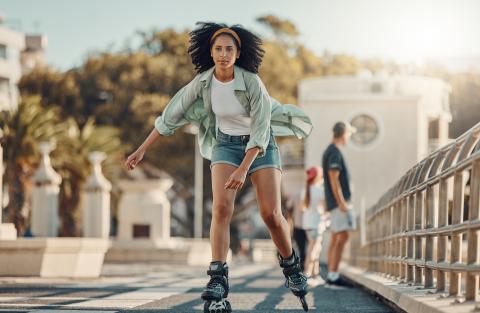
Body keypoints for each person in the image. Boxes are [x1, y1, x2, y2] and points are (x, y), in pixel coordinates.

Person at [125, 22, 312, 312]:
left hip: (261, 146)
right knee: (222, 208)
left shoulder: (252, 83)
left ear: (238, 54)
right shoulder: (202, 82)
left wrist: (243, 169)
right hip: (225, 144)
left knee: (271, 214)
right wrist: (141, 149)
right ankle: (217, 276)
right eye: (218, 49)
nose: (223, 54)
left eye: (229, 49)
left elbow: (261, 132)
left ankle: (291, 265)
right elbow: (171, 115)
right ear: (210, 52)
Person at [322, 121, 356, 287]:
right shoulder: (334, 152)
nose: (349, 137)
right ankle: (333, 275)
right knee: (343, 235)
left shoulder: (331, 151)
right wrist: (341, 202)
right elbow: (333, 178)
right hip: (338, 203)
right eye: (349, 134)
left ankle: (332, 274)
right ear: (343, 133)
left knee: (337, 236)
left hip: (334, 203)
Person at [301, 166, 327, 287]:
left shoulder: (305, 190)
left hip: (308, 225)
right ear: (318, 177)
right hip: (317, 224)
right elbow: (325, 209)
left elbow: (303, 208)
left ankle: (315, 274)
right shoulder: (320, 191)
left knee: (314, 249)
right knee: (313, 250)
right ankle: (307, 274)